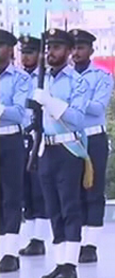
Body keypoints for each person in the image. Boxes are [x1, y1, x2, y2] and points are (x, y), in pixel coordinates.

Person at [32, 29, 90, 278]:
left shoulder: (78, 81)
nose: (50, 53)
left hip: (68, 149)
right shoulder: (40, 80)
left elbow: (77, 119)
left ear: (68, 51)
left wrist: (50, 102)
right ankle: (59, 262)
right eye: (48, 48)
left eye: (56, 48)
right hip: (46, 148)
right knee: (52, 207)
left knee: (70, 207)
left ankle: (71, 264)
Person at [68, 29, 114, 264]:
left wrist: (72, 102)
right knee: (71, 193)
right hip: (69, 139)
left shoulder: (102, 75)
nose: (76, 53)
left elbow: (98, 108)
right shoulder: (62, 77)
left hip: (93, 138)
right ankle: (75, 242)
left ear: (91, 50)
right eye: (73, 48)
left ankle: (91, 243)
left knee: (93, 191)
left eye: (81, 48)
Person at [0, 29, 31, 273]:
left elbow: (20, 113)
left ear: (11, 50)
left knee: (12, 196)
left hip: (10, 140)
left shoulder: (21, 79)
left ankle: (10, 251)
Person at [17, 35, 50, 257]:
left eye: (30, 52)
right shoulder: (17, 77)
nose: (26, 57)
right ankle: (31, 238)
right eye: (23, 52)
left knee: (40, 190)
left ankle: (39, 238)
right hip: (20, 137)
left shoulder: (47, 78)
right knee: (24, 190)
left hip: (41, 137)